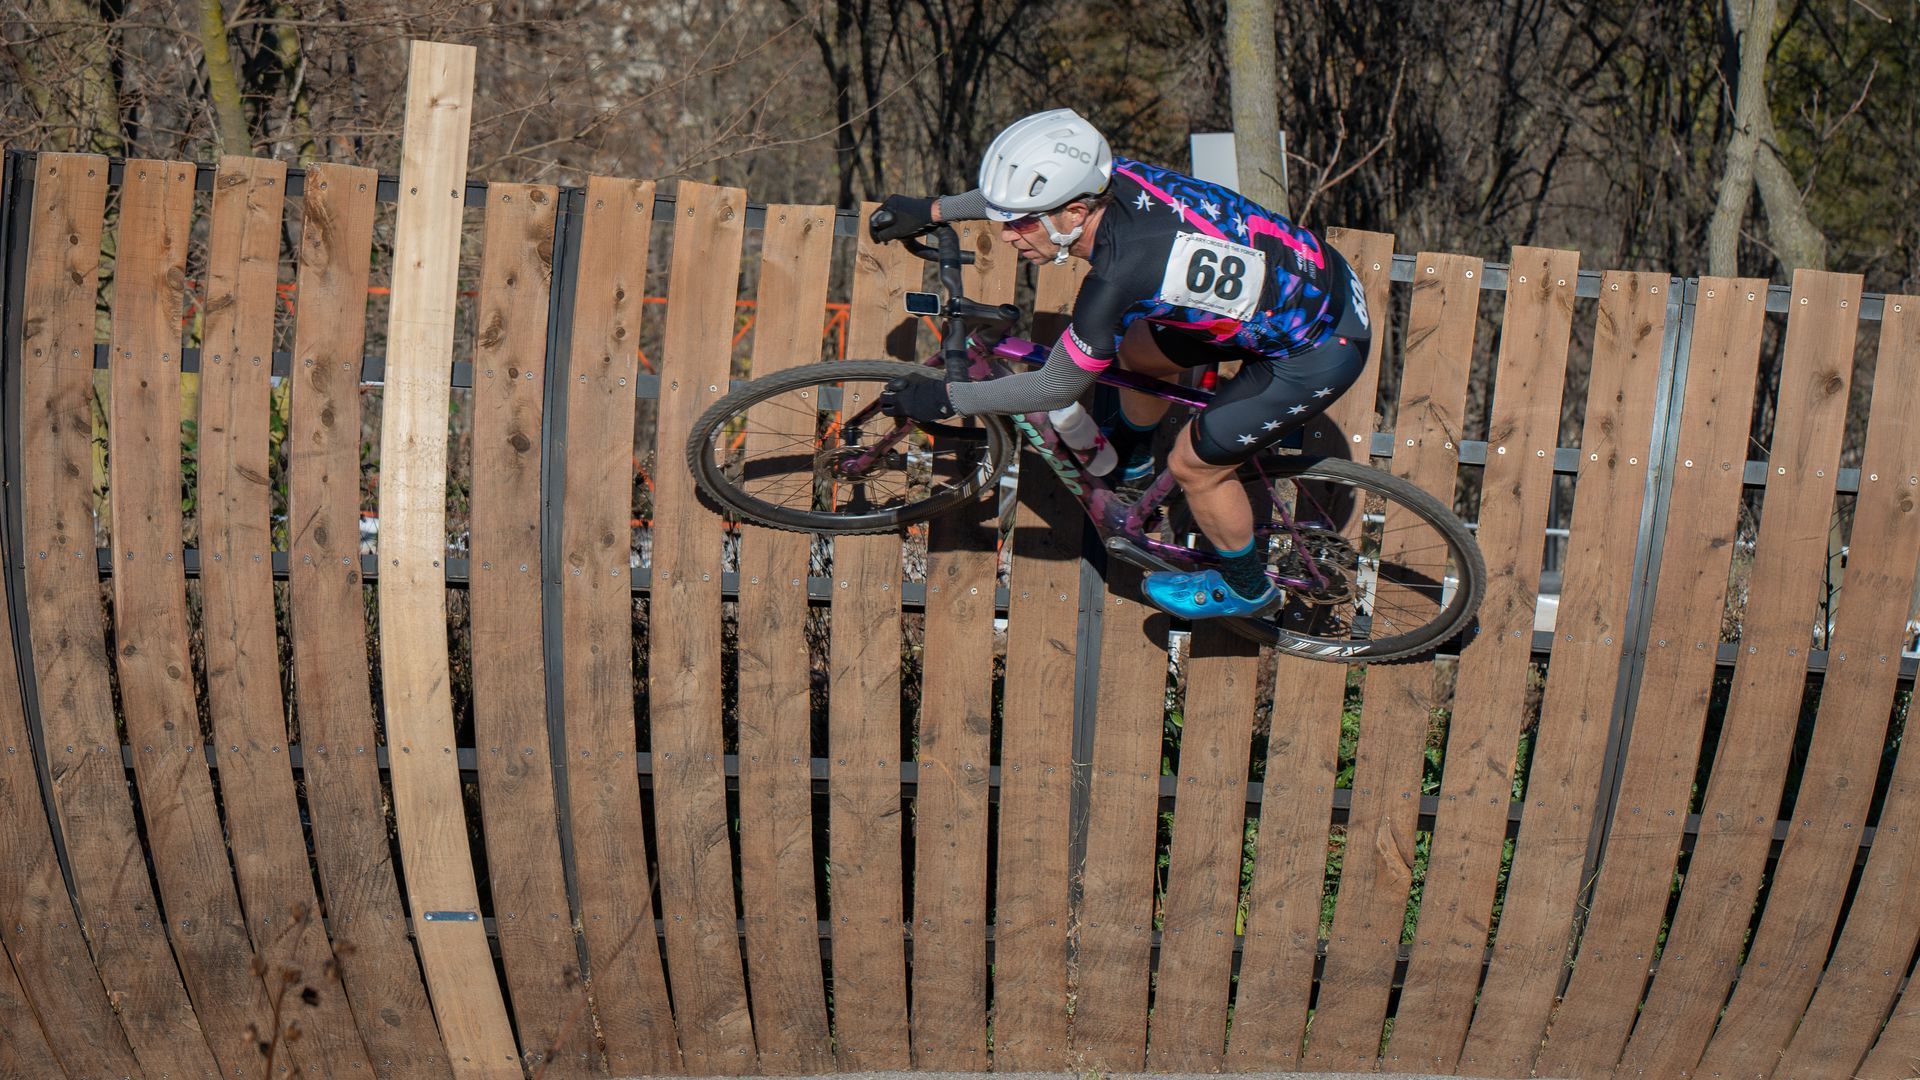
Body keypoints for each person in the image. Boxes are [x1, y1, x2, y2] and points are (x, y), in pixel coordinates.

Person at [874, 108, 1372, 620]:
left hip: (1317, 349)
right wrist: (935, 210)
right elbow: (1020, 196)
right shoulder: (1114, 178)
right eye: (1007, 218)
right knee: (1136, 352)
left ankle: (1246, 588)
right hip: (1310, 285)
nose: (1006, 235)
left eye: (1022, 222)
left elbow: (1053, 388)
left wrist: (950, 398)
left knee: (1193, 466)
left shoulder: (1118, 273)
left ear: (1073, 214)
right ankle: (1132, 462)